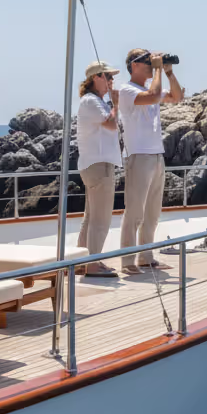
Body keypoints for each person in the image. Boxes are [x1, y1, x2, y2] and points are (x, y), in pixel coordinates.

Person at [117, 48, 183, 273]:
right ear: (134, 65)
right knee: (134, 212)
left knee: (152, 212)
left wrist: (169, 72)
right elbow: (154, 96)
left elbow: (177, 97)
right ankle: (127, 261)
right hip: (139, 155)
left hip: (156, 154)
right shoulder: (126, 90)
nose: (150, 64)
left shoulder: (149, 88)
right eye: (146, 61)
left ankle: (146, 257)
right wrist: (157, 71)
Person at [74, 60, 122, 277]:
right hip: (99, 165)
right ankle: (92, 264)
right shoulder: (92, 102)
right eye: (108, 77)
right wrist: (116, 104)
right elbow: (111, 124)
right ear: (96, 77)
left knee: (91, 217)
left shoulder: (92, 101)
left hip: (94, 164)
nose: (111, 81)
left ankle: (83, 261)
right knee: (100, 219)